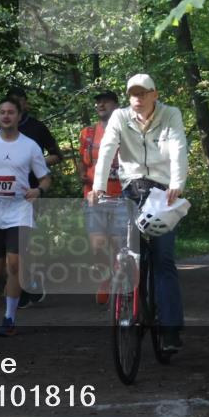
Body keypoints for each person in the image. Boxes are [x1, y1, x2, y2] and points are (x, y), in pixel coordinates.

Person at [89, 74, 188, 353]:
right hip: (132, 189)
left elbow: (179, 148)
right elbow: (107, 150)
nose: (138, 99)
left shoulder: (171, 115)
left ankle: (169, 329)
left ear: (155, 94)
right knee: (132, 255)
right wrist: (98, 187)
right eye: (133, 93)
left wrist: (177, 183)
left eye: (143, 93)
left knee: (163, 259)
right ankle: (131, 305)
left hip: (163, 191)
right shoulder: (120, 117)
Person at [0, 98, 52, 337]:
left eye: (10, 112)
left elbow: (45, 178)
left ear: (18, 116)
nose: (6, 116)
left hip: (20, 211)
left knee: (13, 264)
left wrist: (39, 190)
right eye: (2, 112)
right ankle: (27, 275)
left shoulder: (30, 146)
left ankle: (9, 318)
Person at [6, 86, 63, 308]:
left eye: (18, 102)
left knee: (25, 240)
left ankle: (29, 282)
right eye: (10, 104)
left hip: (31, 191)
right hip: (4, 194)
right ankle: (22, 282)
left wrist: (34, 163)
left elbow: (57, 155)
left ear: (25, 104)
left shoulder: (37, 127)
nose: (14, 108)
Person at [76, 90, 128, 305]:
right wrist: (81, 174)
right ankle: (105, 278)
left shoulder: (128, 132)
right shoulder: (87, 133)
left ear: (116, 106)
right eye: (98, 102)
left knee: (119, 244)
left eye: (105, 101)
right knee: (97, 245)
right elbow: (82, 162)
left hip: (122, 196)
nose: (100, 105)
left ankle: (121, 277)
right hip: (94, 197)